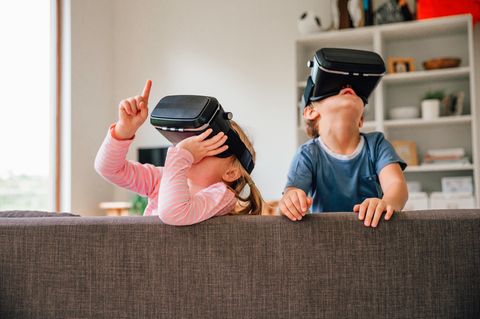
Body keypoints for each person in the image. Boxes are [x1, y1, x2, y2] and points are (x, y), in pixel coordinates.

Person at [95, 80, 263, 225]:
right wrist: (124, 130)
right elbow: (109, 169)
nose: (190, 150)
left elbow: (173, 212)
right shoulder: (160, 179)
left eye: (204, 147)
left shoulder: (221, 195)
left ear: (231, 172)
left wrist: (181, 154)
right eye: (188, 143)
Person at [279, 86, 408, 228]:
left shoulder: (376, 144)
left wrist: (387, 202)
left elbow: (396, 184)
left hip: (373, 232)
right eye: (334, 88)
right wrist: (290, 200)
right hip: (324, 236)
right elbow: (291, 191)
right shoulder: (307, 153)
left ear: (361, 119)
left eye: (354, 88)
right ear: (311, 112)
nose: (347, 87)